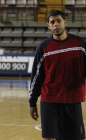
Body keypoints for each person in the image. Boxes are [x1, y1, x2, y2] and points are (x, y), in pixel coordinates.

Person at [29, 10, 86, 140]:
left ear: (64, 22)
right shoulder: (43, 47)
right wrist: (32, 103)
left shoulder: (80, 44)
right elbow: (36, 77)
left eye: (58, 21)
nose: (56, 25)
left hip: (73, 99)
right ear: (48, 26)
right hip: (50, 100)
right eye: (52, 22)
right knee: (49, 138)